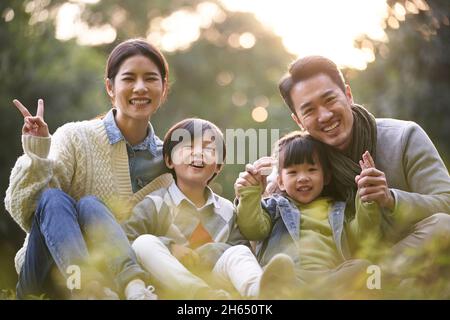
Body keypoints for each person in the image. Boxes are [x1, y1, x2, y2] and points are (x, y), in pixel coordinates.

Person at [238, 55, 450, 285]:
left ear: (348, 95)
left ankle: (365, 285)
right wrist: (251, 193)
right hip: (341, 266)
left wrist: (390, 200)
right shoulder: (303, 162)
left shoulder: (403, 137)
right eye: (309, 110)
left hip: (398, 257)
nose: (325, 115)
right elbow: (260, 224)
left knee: (443, 226)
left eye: (330, 100)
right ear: (298, 120)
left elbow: (446, 202)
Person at [4, 38, 174, 299]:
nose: (140, 88)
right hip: (49, 275)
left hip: (122, 283)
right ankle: (87, 289)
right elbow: (27, 209)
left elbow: (179, 231)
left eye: (150, 79)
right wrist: (38, 155)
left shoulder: (170, 164)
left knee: (91, 205)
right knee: (52, 198)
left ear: (163, 90)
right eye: (129, 78)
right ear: (110, 87)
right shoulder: (75, 137)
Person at [122, 118, 297, 299]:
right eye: (188, 147)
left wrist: (209, 253)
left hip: (215, 283)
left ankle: (260, 292)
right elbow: (125, 240)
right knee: (143, 243)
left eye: (209, 149)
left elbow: (240, 253)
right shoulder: (155, 203)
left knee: (239, 252)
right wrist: (170, 247)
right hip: (168, 283)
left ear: (218, 166)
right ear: (169, 160)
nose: (198, 153)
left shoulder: (227, 210)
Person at [236, 131, 383, 298]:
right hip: (292, 277)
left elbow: (362, 235)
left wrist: (366, 199)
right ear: (281, 182)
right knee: (280, 268)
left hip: (330, 278)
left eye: (312, 170)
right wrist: (250, 193)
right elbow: (252, 230)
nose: (303, 178)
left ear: (326, 176)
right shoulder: (274, 207)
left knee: (368, 269)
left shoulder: (339, 209)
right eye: (293, 172)